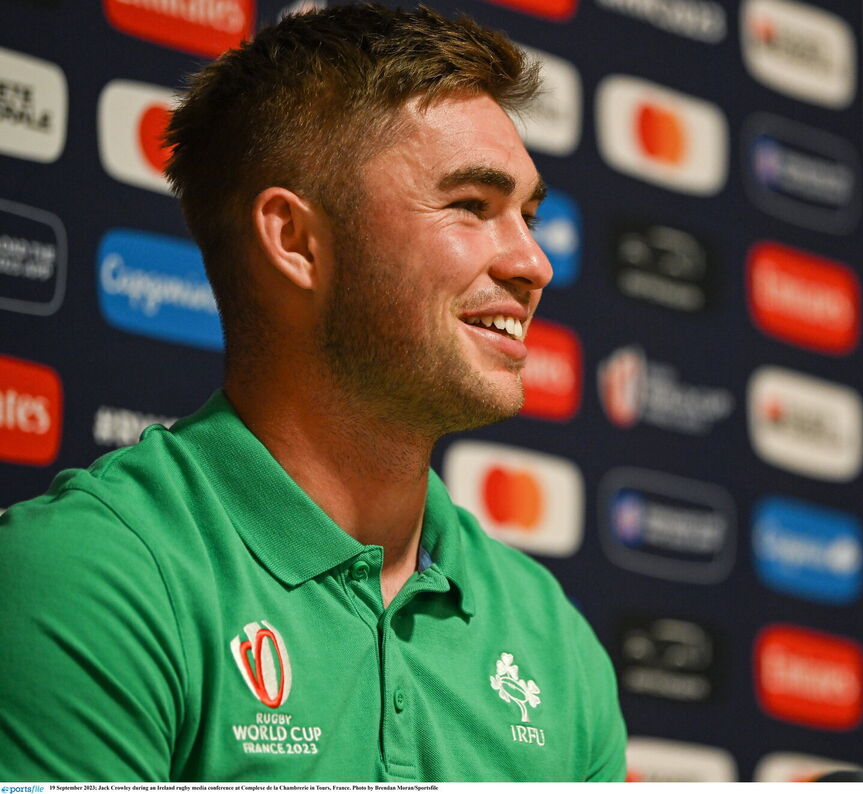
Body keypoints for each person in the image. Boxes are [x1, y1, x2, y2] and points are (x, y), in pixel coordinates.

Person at [0, 3, 626, 782]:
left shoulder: (550, 635)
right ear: (295, 241)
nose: (535, 263)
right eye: (471, 205)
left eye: (527, 216)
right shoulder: (90, 575)